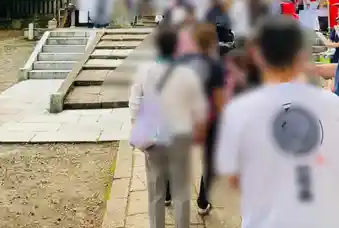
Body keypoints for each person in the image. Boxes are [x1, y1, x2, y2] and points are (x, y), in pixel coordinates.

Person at [216, 15, 339, 228]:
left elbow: (234, 179)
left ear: (257, 56)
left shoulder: (239, 112)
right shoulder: (332, 105)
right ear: (301, 55)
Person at [129, 27, 207, 228]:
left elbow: (135, 103)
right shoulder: (187, 73)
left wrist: (138, 125)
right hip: (180, 136)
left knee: (155, 191)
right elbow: (198, 108)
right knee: (181, 190)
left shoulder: (144, 72)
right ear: (176, 48)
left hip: (154, 137)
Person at [166, 23, 225, 215]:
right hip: (207, 119)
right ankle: (203, 201)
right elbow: (218, 99)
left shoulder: (181, 61)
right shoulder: (215, 66)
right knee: (210, 160)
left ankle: (167, 193)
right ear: (213, 43)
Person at [323, 15, 339, 95]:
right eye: (337, 19)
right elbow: (328, 43)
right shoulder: (335, 29)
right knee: (334, 74)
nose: (338, 21)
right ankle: (332, 92)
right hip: (336, 54)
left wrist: (334, 44)